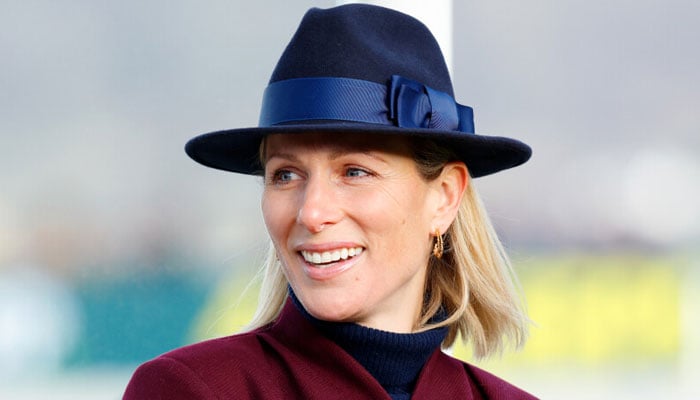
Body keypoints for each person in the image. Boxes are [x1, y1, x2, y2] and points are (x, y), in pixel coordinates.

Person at [124, 4, 536, 399]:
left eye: (354, 172)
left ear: (444, 198)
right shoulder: (190, 389)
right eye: (285, 175)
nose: (312, 212)